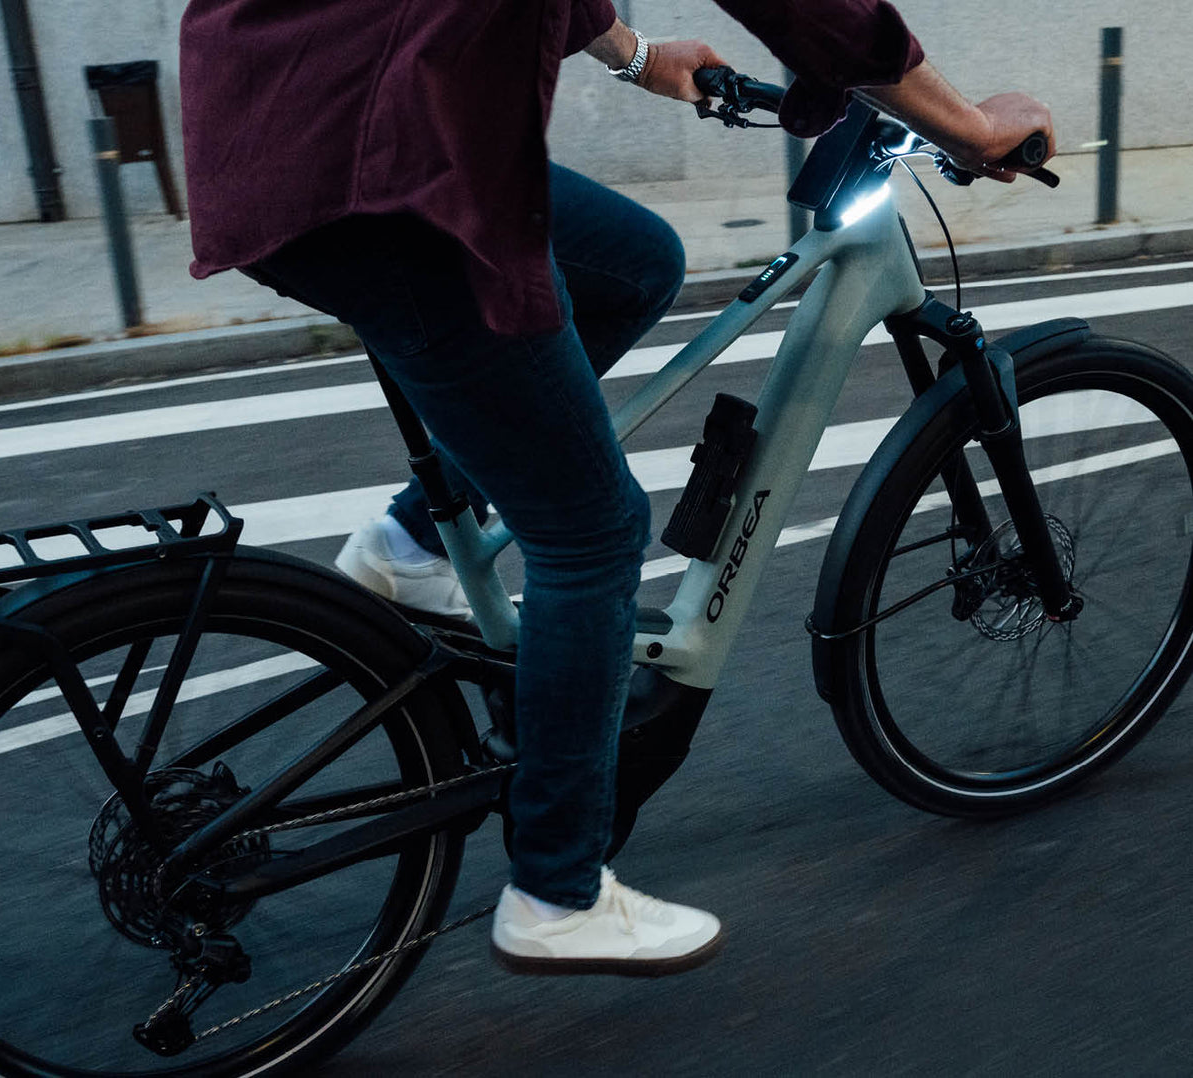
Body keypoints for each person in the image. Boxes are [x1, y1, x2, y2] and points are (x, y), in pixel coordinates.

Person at [179, 0, 1054, 976]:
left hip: (299, 121)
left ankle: (413, 544)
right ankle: (558, 890)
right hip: (382, 174)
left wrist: (637, 56)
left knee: (636, 265)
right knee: (591, 531)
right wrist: (969, 127)